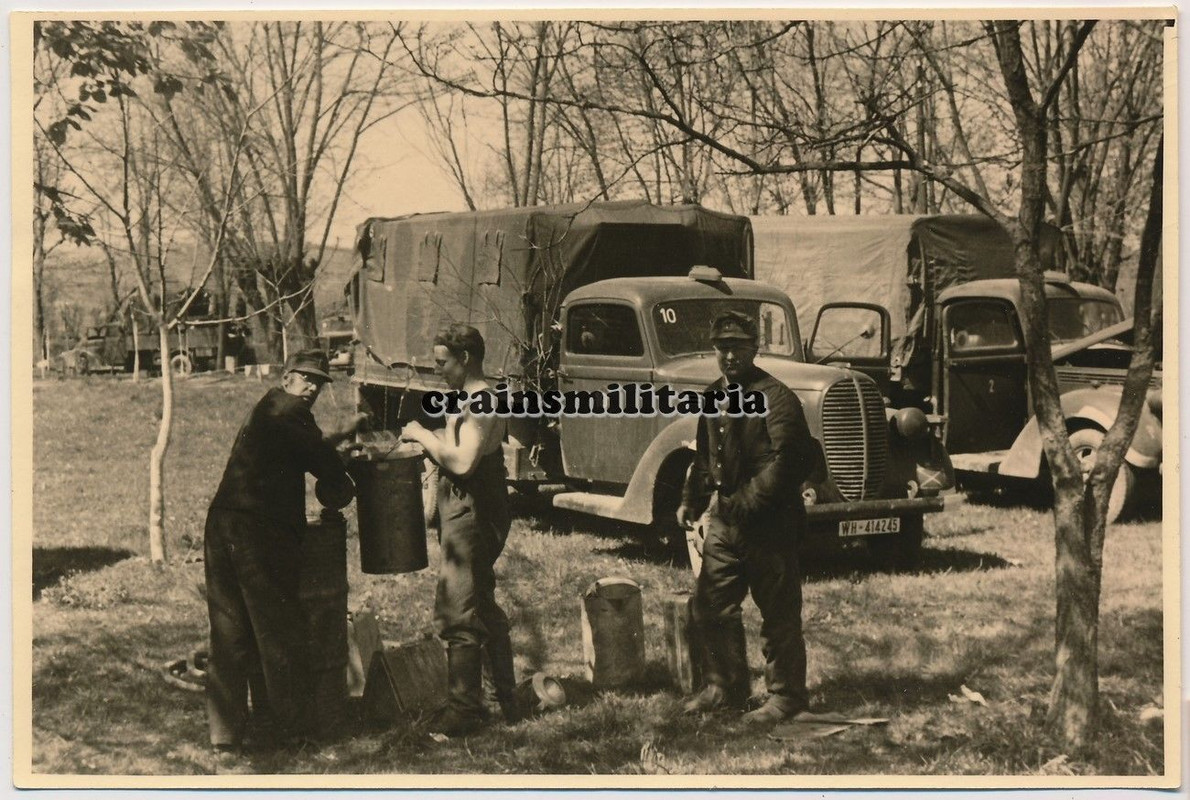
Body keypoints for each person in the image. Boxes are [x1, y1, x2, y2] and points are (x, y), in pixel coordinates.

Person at [204, 349, 366, 752]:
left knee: (230, 633)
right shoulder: (292, 411)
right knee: (278, 631)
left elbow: (305, 447)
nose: (311, 388)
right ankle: (289, 730)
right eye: (305, 378)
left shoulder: (270, 407)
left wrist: (339, 439)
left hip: (222, 525)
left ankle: (224, 737)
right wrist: (345, 471)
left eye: (319, 382)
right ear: (287, 377)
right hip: (257, 534)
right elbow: (326, 469)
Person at [676, 310, 818, 725]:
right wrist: (692, 498)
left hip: (770, 522)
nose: (729, 356)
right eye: (722, 348)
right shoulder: (713, 396)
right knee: (711, 605)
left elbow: (789, 461)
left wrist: (748, 503)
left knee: (778, 614)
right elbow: (705, 456)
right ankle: (725, 687)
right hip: (726, 521)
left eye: (737, 347)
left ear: (755, 349)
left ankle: (787, 696)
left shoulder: (776, 397)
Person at [399, 324, 519, 738]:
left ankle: (465, 711)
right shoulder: (466, 398)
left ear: (465, 359)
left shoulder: (481, 400)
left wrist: (419, 435)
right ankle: (508, 698)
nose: (439, 371)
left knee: (457, 610)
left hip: (473, 511)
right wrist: (439, 436)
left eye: (442, 363)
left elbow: (465, 462)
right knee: (480, 601)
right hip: (465, 508)